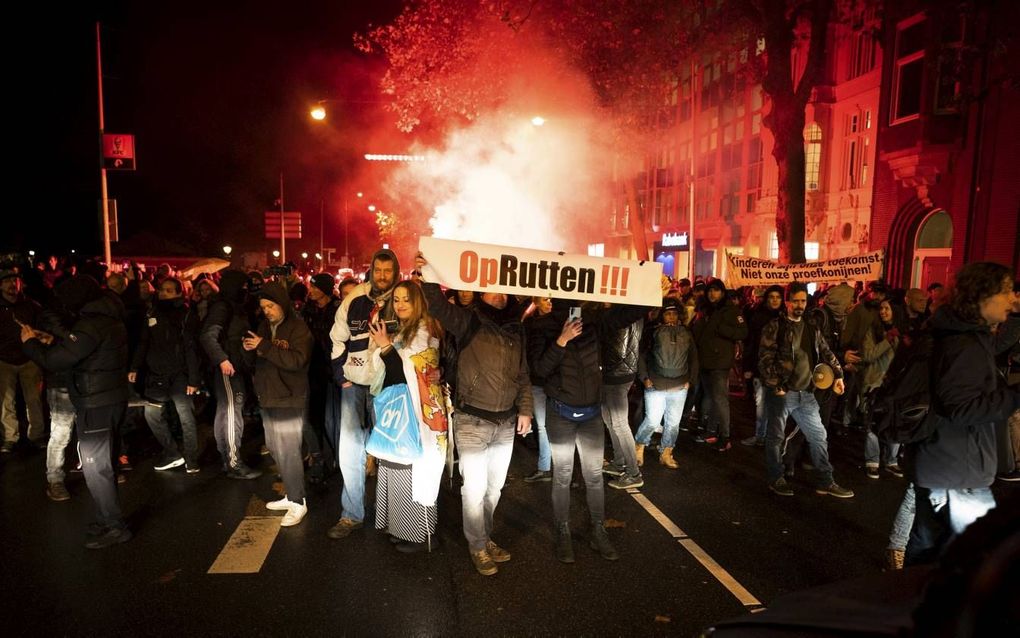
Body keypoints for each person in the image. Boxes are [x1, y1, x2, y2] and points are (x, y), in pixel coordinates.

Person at [416, 252, 533, 576]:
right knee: (474, 488)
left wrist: (525, 409)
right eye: (491, 289)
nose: (498, 295)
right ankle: (478, 545)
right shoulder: (468, 320)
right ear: (480, 293)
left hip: (505, 422)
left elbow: (523, 374)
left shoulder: (516, 329)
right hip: (471, 421)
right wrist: (427, 271)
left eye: (502, 291)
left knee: (494, 489)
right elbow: (437, 306)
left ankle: (484, 535)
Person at [905, 262, 1020, 565]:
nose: (1013, 299)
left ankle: (909, 602)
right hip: (958, 471)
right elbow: (961, 408)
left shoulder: (963, 334)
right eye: (1007, 291)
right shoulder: (962, 343)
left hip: (945, 463)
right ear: (983, 296)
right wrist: (1014, 396)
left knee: (929, 545)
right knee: (979, 553)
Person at [529, 298, 646, 564]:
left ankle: (598, 529)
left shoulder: (593, 322)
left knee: (594, 477)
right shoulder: (543, 326)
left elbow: (626, 314)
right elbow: (540, 369)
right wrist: (562, 340)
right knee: (562, 476)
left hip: (591, 414)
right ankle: (563, 531)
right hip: (560, 414)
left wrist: (650, 293)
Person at [21, 275, 132, 548]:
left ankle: (114, 525)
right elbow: (81, 350)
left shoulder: (90, 324)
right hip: (111, 397)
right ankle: (107, 518)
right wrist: (54, 340)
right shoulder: (109, 317)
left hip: (95, 402)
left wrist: (30, 343)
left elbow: (56, 360)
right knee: (105, 463)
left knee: (97, 467)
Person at [365, 281, 448, 552]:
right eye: (397, 299)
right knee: (396, 466)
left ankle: (421, 535)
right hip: (400, 411)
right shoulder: (402, 329)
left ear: (419, 302)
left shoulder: (424, 330)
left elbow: (409, 373)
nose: (400, 304)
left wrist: (386, 347)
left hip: (417, 415)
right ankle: (400, 528)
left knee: (414, 470)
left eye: (407, 300)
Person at [327, 249, 401, 540]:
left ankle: (396, 517)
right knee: (350, 450)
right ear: (371, 269)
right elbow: (337, 336)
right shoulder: (355, 297)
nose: (382, 276)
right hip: (355, 384)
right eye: (378, 270)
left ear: (395, 271)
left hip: (388, 385)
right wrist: (340, 375)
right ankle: (352, 515)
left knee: (393, 452)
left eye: (388, 271)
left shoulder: (402, 298)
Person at [758, 282, 854, 499]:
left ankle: (825, 480)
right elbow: (765, 359)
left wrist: (838, 374)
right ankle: (776, 478)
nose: (800, 305)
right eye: (796, 301)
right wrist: (776, 385)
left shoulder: (811, 326)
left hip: (806, 393)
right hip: (783, 393)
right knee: (775, 437)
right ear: (787, 301)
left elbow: (826, 351)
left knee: (818, 436)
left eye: (803, 301)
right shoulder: (775, 326)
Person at [243, 281, 313, 527]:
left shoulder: (298, 328)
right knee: (274, 446)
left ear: (282, 304)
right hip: (268, 395)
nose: (267, 311)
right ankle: (291, 493)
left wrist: (264, 346)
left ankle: (297, 501)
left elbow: (297, 361)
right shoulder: (263, 326)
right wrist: (250, 349)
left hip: (289, 396)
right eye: (263, 307)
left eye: (271, 306)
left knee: (289, 450)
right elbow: (259, 360)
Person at [130, 277, 202, 472]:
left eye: (169, 290)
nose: (163, 293)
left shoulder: (186, 315)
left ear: (179, 292)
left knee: (186, 417)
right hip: (156, 375)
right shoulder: (152, 312)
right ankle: (172, 453)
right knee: (152, 414)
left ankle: (192, 460)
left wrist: (193, 379)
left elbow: (190, 347)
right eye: (162, 290)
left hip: (180, 375)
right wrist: (135, 366)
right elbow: (144, 341)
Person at [200, 270, 261, 479]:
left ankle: (228, 459)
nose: (246, 289)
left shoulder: (231, 305)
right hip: (230, 368)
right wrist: (222, 359)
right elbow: (208, 336)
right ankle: (234, 463)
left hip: (235, 365)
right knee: (232, 414)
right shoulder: (222, 306)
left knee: (226, 412)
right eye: (243, 286)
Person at [633, 299, 698, 473]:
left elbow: (693, 358)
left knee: (673, 424)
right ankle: (639, 447)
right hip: (656, 385)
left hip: (679, 386)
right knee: (652, 421)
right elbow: (641, 356)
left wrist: (689, 381)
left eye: (674, 313)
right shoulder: (652, 332)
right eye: (668, 313)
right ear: (662, 315)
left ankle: (667, 453)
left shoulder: (686, 333)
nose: (671, 316)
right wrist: (644, 377)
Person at [692, 279, 748, 450]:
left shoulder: (731, 310)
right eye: (710, 291)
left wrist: (724, 330)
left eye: (716, 290)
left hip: (720, 362)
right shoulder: (705, 311)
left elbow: (743, 331)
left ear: (722, 293)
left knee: (720, 399)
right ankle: (711, 431)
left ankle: (725, 435)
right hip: (705, 360)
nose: (712, 294)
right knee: (712, 397)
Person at [599, 301, 645, 487]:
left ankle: (634, 473)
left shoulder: (620, 313)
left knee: (618, 423)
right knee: (610, 420)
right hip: (617, 372)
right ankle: (619, 463)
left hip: (616, 373)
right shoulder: (630, 310)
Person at [860, 299, 906, 479]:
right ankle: (872, 461)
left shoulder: (903, 332)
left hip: (896, 384)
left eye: (887, 308)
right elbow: (868, 355)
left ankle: (892, 460)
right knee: (872, 423)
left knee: (895, 422)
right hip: (875, 382)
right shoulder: (874, 331)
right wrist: (887, 340)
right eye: (881, 308)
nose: (883, 312)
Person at [302, 273, 341, 483]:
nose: (312, 290)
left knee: (332, 418)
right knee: (314, 416)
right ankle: (320, 458)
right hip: (311, 369)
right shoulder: (307, 309)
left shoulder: (337, 309)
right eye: (311, 287)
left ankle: (334, 457)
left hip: (331, 369)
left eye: (315, 287)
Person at [0, 268, 44, 452]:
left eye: (15, 280)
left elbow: (43, 327)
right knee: (5, 402)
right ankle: (10, 437)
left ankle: (37, 435)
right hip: (3, 359)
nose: (12, 284)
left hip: (29, 358)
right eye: (7, 280)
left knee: (33, 399)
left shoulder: (31, 305)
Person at [740, 285, 784, 446]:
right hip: (760, 368)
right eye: (771, 297)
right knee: (761, 405)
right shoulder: (758, 317)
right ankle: (760, 435)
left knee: (779, 407)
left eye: (778, 297)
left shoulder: (786, 318)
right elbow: (751, 344)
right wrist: (748, 367)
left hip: (780, 370)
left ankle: (774, 438)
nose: (774, 300)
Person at [522, 296, 555, 483]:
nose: (549, 302)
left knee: (555, 427)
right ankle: (545, 467)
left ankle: (554, 468)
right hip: (538, 382)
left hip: (556, 383)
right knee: (543, 426)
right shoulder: (530, 325)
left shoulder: (560, 324)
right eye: (545, 299)